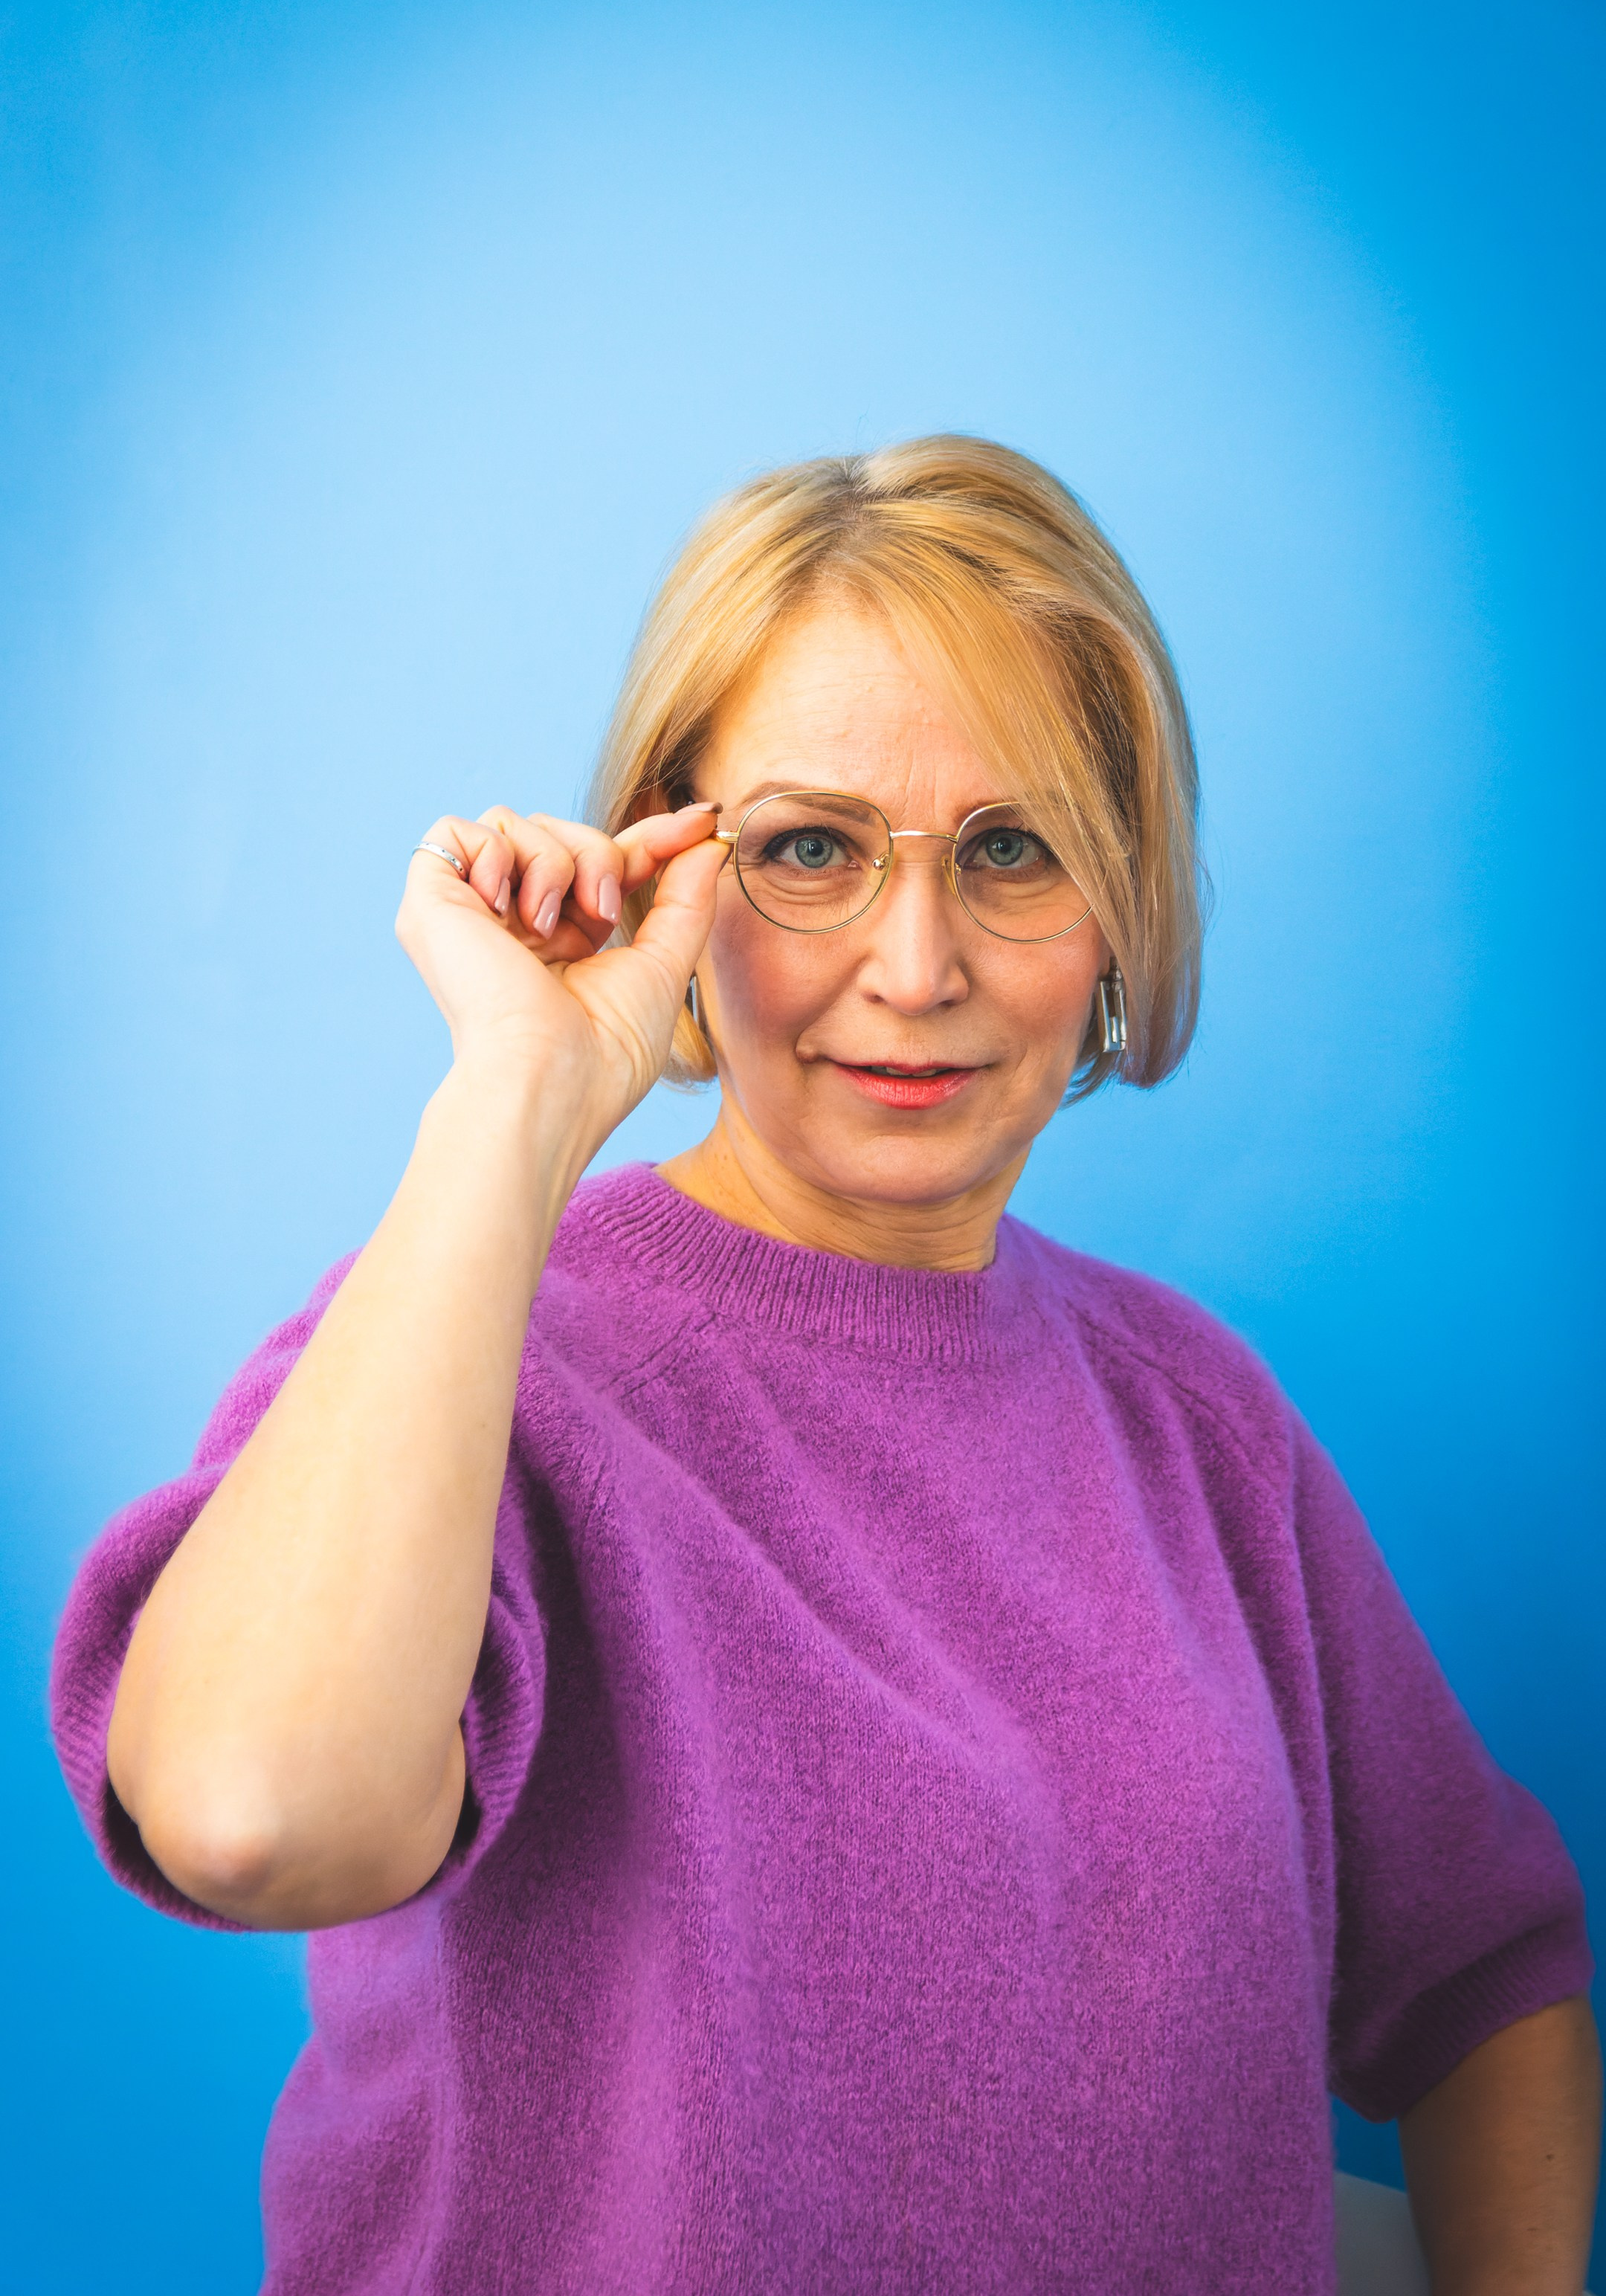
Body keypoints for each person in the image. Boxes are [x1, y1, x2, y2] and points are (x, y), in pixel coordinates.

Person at [53, 438, 1599, 2293]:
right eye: (808, 851)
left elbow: (1486, 1974)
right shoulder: (475, 1357)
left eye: (1013, 849)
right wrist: (516, 1100)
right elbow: (251, 1819)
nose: (918, 959)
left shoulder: (1198, 1418)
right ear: (670, 879)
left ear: (1120, 905)